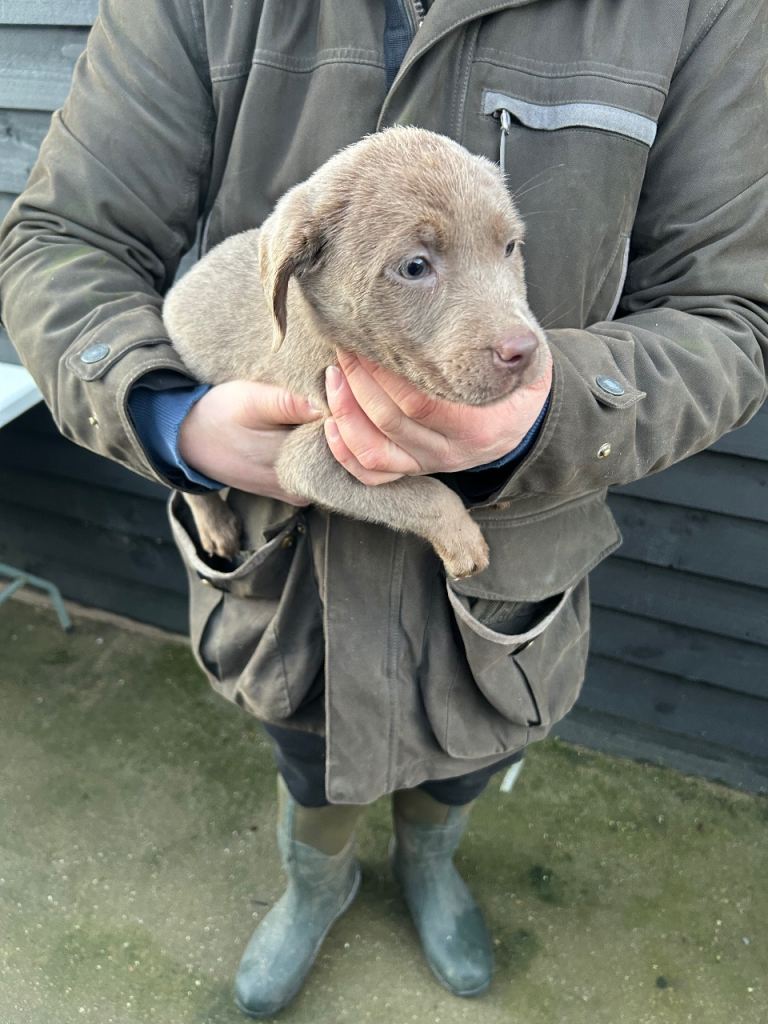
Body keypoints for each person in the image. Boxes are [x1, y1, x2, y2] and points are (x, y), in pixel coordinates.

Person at [1, 0, 766, 1017]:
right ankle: (318, 885)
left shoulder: (698, 13)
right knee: (309, 768)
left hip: (512, 587)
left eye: (509, 251)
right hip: (287, 585)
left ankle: (429, 864)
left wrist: (556, 412)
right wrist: (172, 421)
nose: (513, 327)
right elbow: (60, 237)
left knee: (473, 756)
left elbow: (734, 314)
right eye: (419, 263)